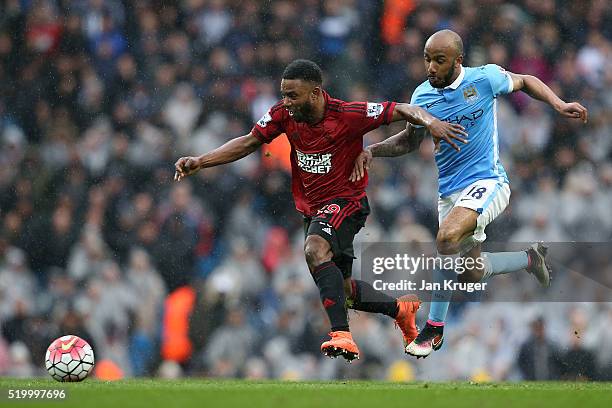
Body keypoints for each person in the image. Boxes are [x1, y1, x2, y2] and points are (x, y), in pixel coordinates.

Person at [174, 59, 466, 361]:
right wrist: (201, 160)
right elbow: (249, 142)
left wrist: (431, 123)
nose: (286, 102)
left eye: (292, 95)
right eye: (284, 94)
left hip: (347, 203)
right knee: (343, 290)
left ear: (315, 93)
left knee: (314, 249)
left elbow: (404, 109)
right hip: (313, 210)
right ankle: (400, 310)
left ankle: (342, 335)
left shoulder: (348, 114)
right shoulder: (283, 115)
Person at [350, 30, 588, 358]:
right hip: (450, 194)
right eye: (427, 59)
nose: (431, 67)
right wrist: (372, 151)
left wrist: (558, 104)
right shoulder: (422, 97)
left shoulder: (485, 79)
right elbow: (408, 141)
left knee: (446, 238)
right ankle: (530, 258)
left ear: (458, 61)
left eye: (439, 60)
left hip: (489, 182)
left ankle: (433, 330)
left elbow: (526, 80)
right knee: (470, 271)